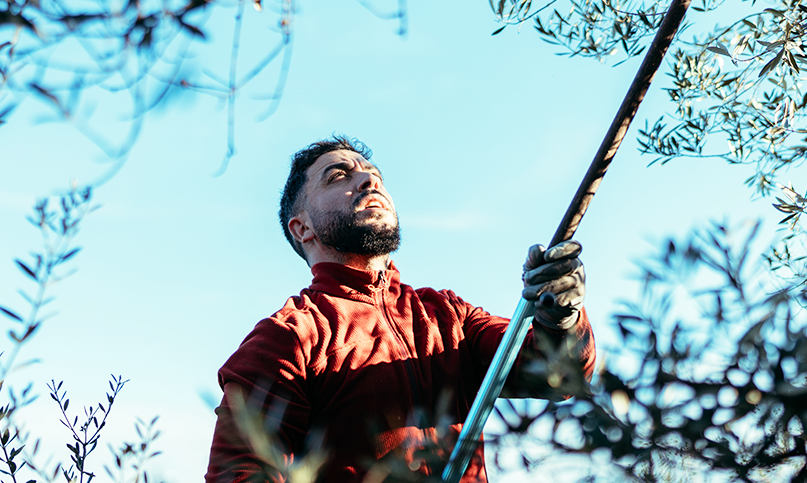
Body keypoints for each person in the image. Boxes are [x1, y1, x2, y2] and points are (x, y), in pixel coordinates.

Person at [205, 136, 595, 483]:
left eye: (373, 173)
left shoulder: (446, 314)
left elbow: (558, 375)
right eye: (338, 176)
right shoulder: (287, 337)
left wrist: (559, 316)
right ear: (302, 228)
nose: (369, 180)